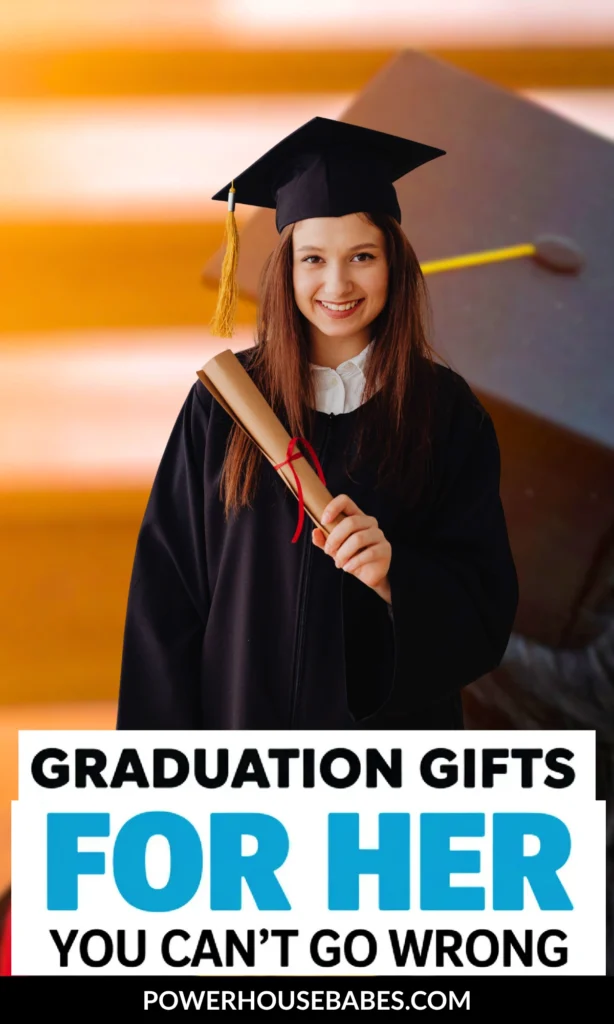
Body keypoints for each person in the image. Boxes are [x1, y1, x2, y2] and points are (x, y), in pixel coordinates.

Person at [117, 117, 519, 731]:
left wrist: (395, 578)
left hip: (384, 769)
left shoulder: (444, 412)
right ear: (286, 270)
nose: (337, 284)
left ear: (395, 266)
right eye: (313, 259)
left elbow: (484, 609)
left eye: (362, 256)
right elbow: (165, 603)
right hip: (242, 753)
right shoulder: (225, 406)